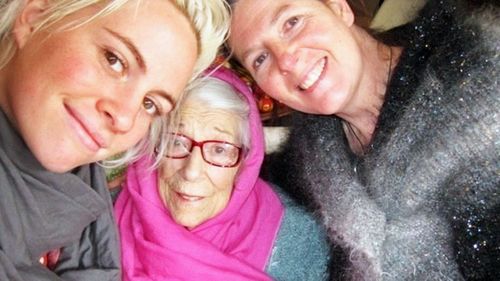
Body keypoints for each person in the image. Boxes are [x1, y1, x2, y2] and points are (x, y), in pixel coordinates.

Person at [226, 0, 499, 280]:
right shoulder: (305, 172)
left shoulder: (480, 73)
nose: (285, 60)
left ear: (339, 8)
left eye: (291, 22)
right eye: (260, 58)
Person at [0, 0, 229, 280]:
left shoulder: (83, 202)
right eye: (115, 60)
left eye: (149, 104)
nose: (124, 118)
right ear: (34, 18)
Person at [114, 67, 331, 281]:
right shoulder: (105, 215)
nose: (191, 171)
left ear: (245, 163)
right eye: (176, 142)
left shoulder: (297, 241)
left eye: (219, 149)